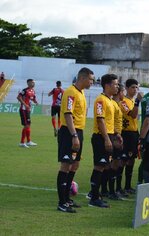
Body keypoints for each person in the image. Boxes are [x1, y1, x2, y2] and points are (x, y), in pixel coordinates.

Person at [56, 67, 94, 213]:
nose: (92, 82)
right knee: (65, 166)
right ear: (83, 78)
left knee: (75, 164)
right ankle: (61, 203)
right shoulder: (71, 92)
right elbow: (67, 114)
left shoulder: (81, 92)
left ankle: (67, 198)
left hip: (78, 131)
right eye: (91, 79)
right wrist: (74, 136)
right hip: (69, 132)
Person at [88, 74, 119, 208]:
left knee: (105, 166)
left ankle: (97, 194)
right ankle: (93, 197)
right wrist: (106, 139)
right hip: (101, 137)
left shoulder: (111, 101)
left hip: (109, 136)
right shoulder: (101, 100)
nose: (117, 86)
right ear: (107, 85)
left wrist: (116, 135)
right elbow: (100, 120)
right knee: (99, 166)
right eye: (115, 84)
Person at [117, 79, 142, 195]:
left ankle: (127, 186)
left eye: (136, 87)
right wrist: (137, 102)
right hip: (125, 134)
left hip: (133, 133)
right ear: (126, 88)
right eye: (132, 87)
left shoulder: (132, 101)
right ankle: (118, 187)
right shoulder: (123, 102)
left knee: (131, 159)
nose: (135, 90)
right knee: (123, 160)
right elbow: (133, 115)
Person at [17, 79, 38, 148]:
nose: (33, 84)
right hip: (23, 109)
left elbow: (33, 98)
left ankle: (28, 141)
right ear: (28, 83)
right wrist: (25, 104)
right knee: (26, 125)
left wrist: (35, 102)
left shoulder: (33, 91)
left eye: (34, 82)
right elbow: (18, 97)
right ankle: (22, 142)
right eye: (32, 82)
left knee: (28, 125)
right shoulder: (25, 90)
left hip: (28, 110)